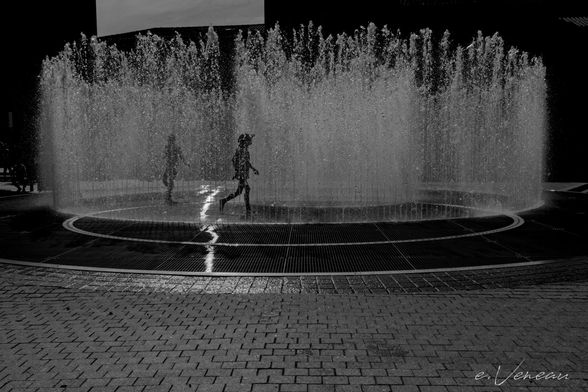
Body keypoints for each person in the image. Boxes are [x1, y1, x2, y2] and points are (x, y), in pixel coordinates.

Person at [219, 134, 259, 217]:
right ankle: (248, 210)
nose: (250, 142)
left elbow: (244, 161)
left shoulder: (242, 149)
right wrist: (238, 171)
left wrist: (252, 169)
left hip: (242, 172)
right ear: (245, 142)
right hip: (242, 173)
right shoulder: (241, 150)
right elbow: (237, 160)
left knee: (239, 191)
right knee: (246, 189)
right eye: (249, 141)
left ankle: (223, 201)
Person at [162, 133, 188, 205]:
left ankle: (169, 196)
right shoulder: (167, 147)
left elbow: (181, 156)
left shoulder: (176, 147)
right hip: (169, 166)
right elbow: (165, 155)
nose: (169, 141)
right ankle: (169, 193)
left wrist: (185, 163)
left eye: (170, 140)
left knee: (169, 180)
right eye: (169, 140)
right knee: (165, 179)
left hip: (173, 166)